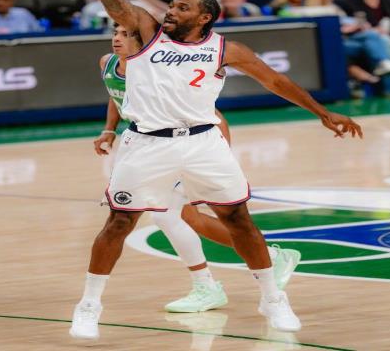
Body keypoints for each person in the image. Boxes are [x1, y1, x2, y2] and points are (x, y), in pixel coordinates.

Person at [21, 0, 363, 339]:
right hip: (146, 143)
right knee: (119, 222)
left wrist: (322, 113)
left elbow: (275, 81)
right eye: (171, 5)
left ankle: (272, 298)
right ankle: (89, 305)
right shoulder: (145, 32)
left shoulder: (225, 49)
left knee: (238, 219)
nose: (171, 11)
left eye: (181, 8)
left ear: (204, 18)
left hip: (204, 142)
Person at [95, 22, 300, 312]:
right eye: (115, 33)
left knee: (169, 217)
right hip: (150, 147)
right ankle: (265, 260)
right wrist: (109, 130)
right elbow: (118, 96)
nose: (117, 39)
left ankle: (210, 284)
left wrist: (215, 155)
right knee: (185, 217)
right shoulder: (108, 63)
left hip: (194, 145)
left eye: (126, 34)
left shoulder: (160, 67)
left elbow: (212, 114)